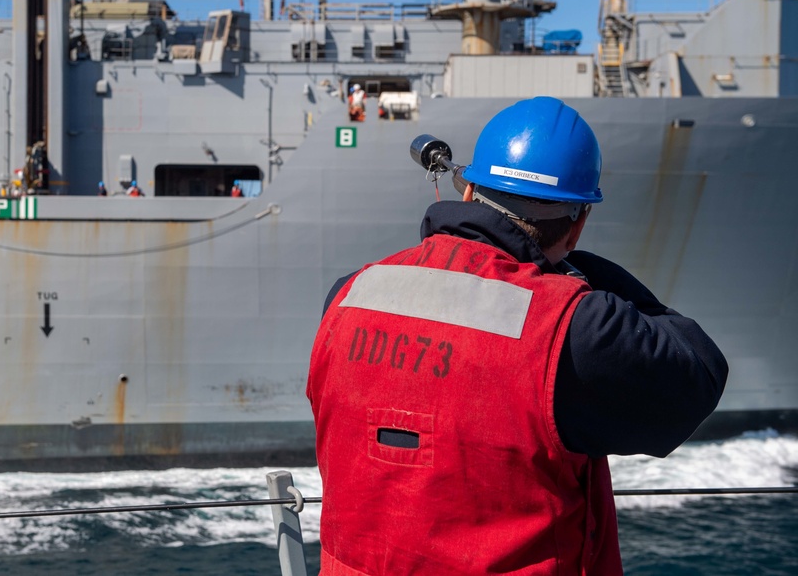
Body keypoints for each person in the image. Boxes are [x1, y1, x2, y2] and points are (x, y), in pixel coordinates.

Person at [307, 96, 728, 575]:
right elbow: (699, 370)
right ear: (578, 224)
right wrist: (573, 271)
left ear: (468, 193)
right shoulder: (575, 327)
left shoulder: (346, 296)